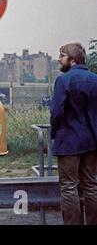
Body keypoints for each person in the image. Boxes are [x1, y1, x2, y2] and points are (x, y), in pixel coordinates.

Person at [50, 42, 97, 225]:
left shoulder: (64, 80)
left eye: (61, 56)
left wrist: (55, 132)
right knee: (91, 185)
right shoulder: (95, 79)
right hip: (92, 141)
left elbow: (56, 111)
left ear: (72, 59)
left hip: (69, 140)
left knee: (69, 187)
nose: (59, 59)